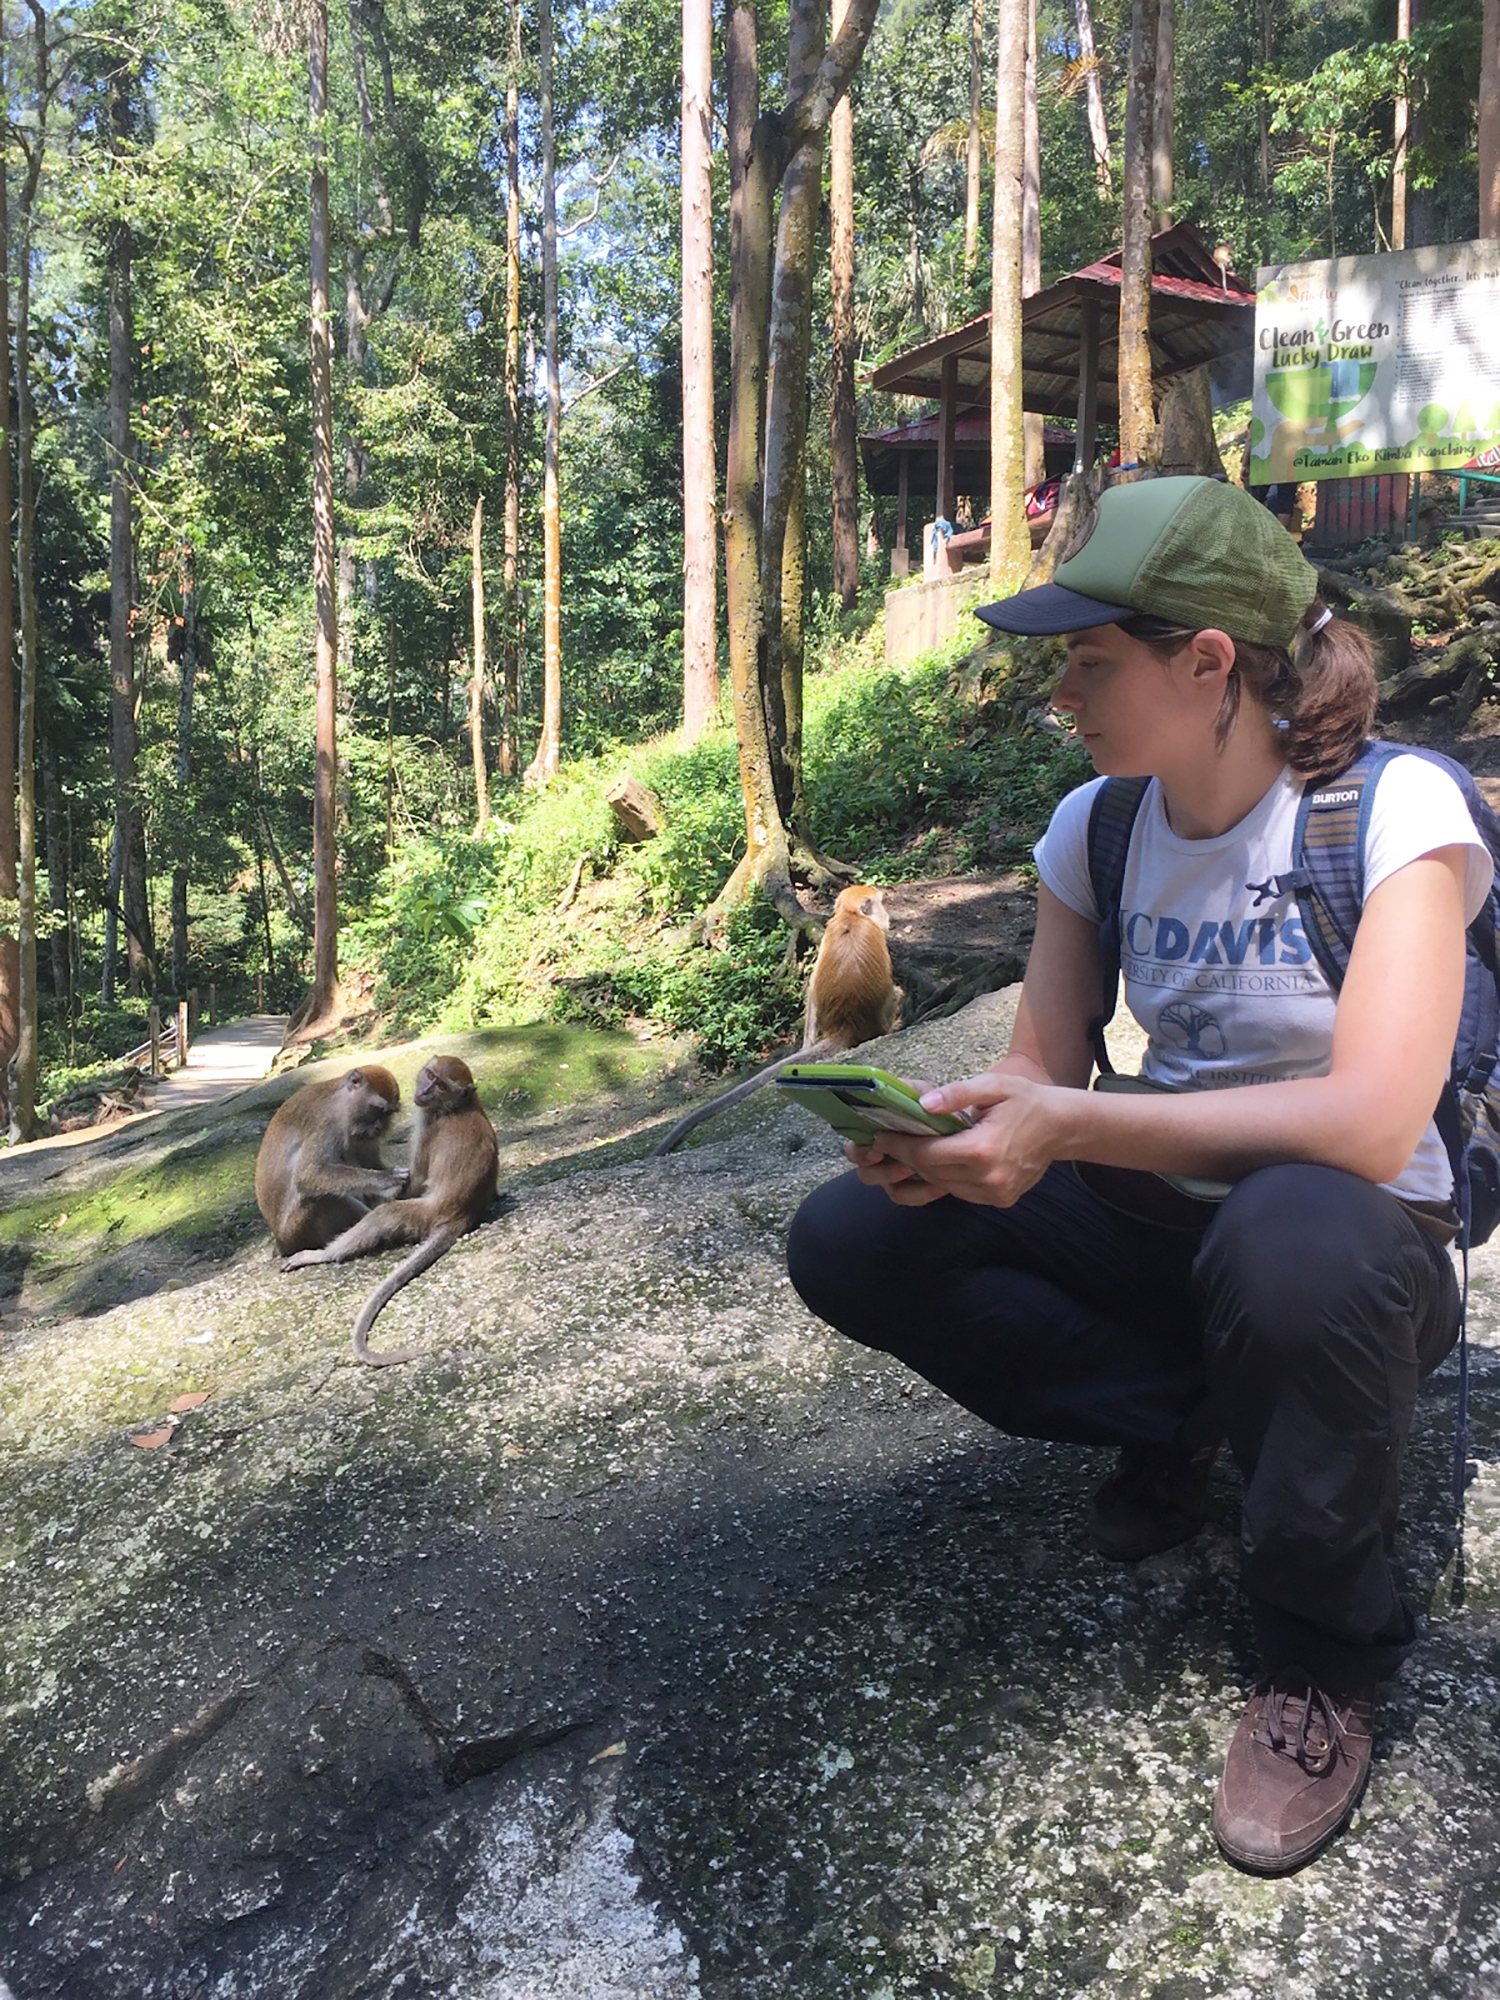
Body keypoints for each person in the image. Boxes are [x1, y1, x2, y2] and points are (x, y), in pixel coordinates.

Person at [786, 474, 1490, 1876]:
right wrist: (957, 1138)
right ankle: (1203, 1420)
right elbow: (1046, 1074)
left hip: (1351, 1250)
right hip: (1166, 1231)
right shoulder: (1098, 829)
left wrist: (1070, 1127)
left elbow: (1366, 1122)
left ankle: (1318, 1656)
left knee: (1294, 1234)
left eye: (1093, 666)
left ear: (1209, 662)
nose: (1067, 700)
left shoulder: (1398, 810)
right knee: (854, 1239)